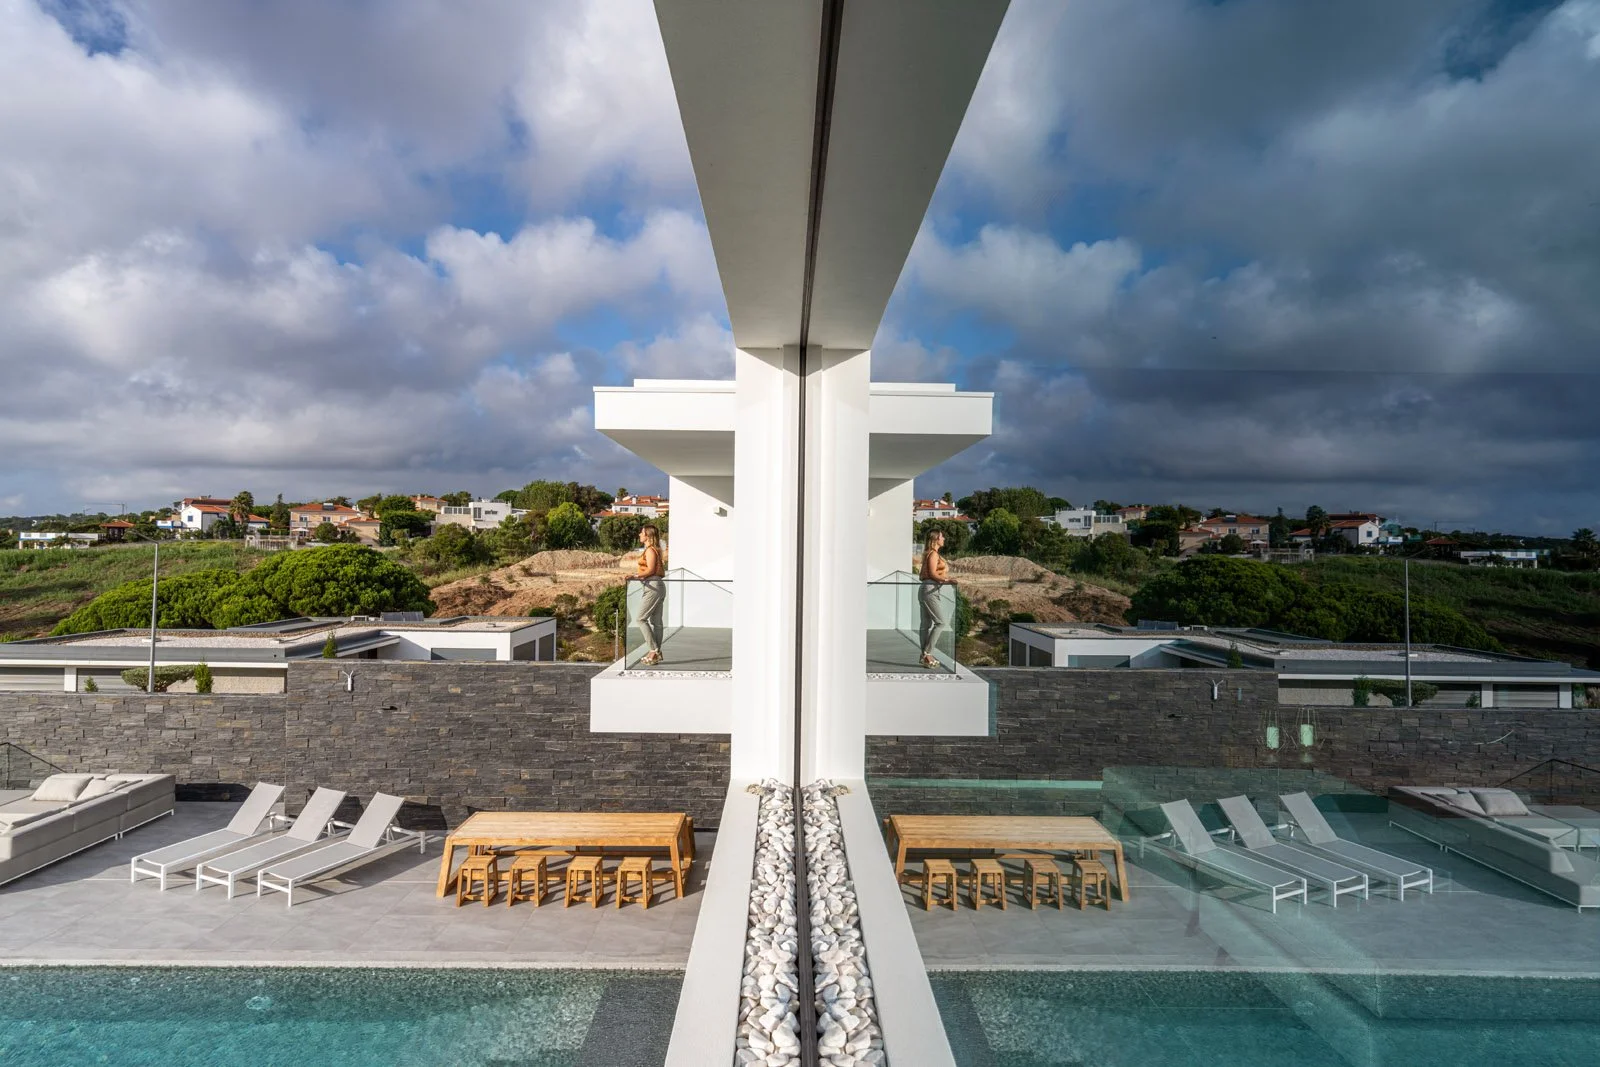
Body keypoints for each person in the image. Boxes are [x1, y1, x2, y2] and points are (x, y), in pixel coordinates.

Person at [918, 529, 955, 669]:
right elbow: (933, 574)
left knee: (925, 625)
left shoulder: (930, 554)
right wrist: (948, 580)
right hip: (930, 590)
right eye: (942, 536)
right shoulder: (933, 554)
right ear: (936, 539)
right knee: (940, 623)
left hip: (926, 589)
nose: (944, 538)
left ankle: (924, 656)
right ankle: (928, 653)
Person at [632, 524, 667, 665]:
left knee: (640, 619)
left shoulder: (650, 551)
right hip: (657, 586)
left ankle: (653, 649)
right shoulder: (654, 550)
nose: (639, 535)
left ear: (647, 535)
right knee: (657, 623)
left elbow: (651, 570)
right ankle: (656, 654)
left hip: (652, 586)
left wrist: (634, 576)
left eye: (641, 533)